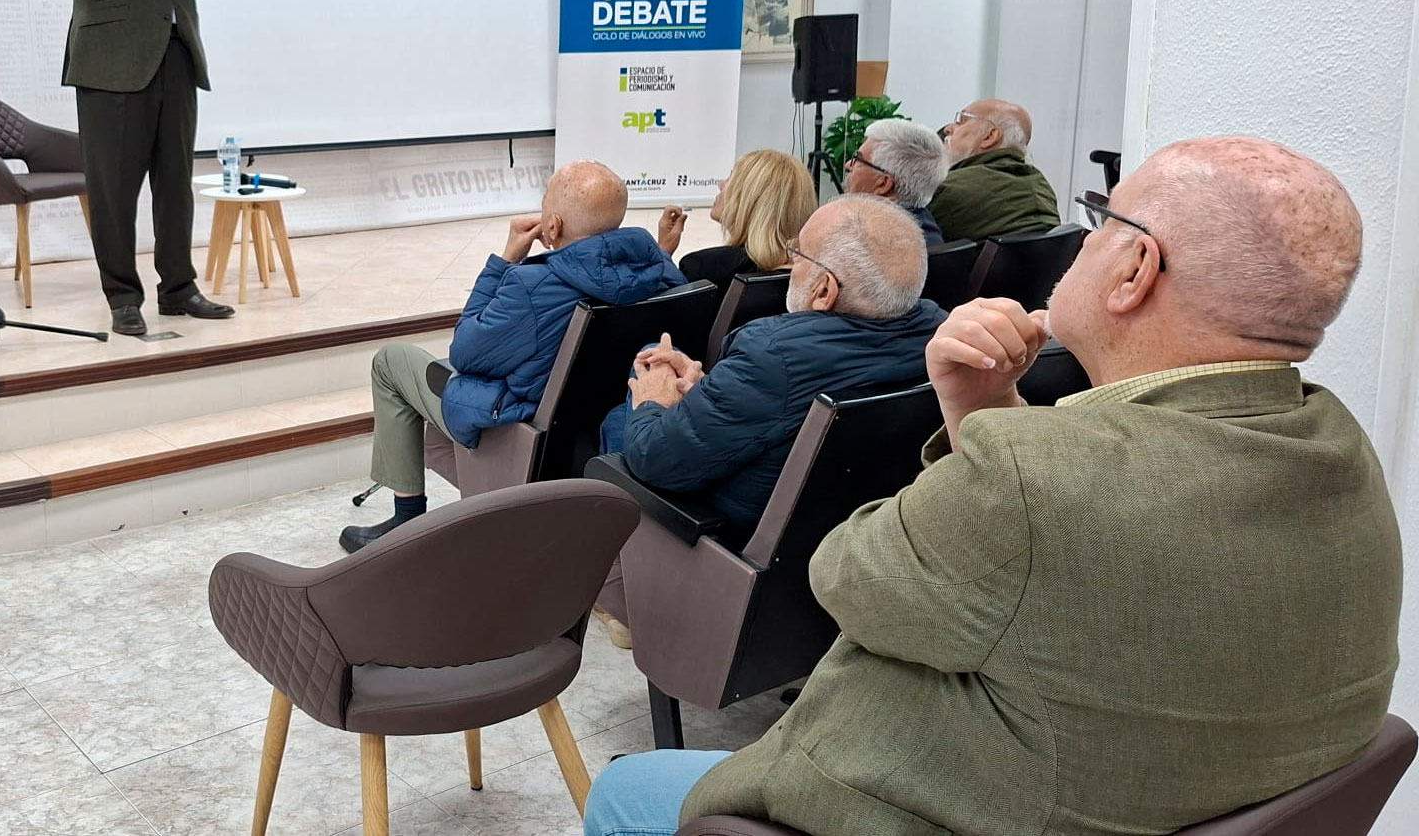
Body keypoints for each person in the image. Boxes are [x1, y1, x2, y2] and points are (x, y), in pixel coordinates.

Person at [583, 136, 1399, 836]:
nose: (1079, 240)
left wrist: (991, 433)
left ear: (1135, 269)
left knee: (624, 790)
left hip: (946, 803)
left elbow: (846, 578)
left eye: (1101, 218)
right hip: (1125, 790)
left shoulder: (1038, 479)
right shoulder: (1342, 452)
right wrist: (984, 410)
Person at [339, 162, 683, 552]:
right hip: (591, 426)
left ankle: (406, 521)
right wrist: (663, 251)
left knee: (391, 361)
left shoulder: (531, 286)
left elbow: (465, 352)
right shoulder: (661, 270)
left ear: (552, 227)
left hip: (522, 426)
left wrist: (503, 262)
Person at [604, 195, 943, 542]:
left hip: (723, 544)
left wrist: (653, 402)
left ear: (824, 290)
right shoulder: (941, 340)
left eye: (799, 253)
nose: (790, 260)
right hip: (841, 531)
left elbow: (655, 459)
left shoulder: (773, 357)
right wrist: (711, 388)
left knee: (622, 415)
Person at [57, 0, 237, 337]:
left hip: (176, 56)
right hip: (111, 64)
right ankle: (122, 296)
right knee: (113, 190)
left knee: (175, 183)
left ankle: (179, 289)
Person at [654, 150, 817, 286]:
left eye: (730, 178)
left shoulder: (704, 269)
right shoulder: (814, 278)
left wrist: (661, 255)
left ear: (749, 199)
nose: (720, 184)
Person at [927, 98, 1060, 242]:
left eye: (961, 120)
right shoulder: (1041, 186)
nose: (948, 129)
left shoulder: (947, 190)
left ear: (989, 137)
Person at [842, 119, 948, 246]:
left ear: (883, 184)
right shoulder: (927, 232)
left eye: (858, 159)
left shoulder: (866, 245)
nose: (848, 165)